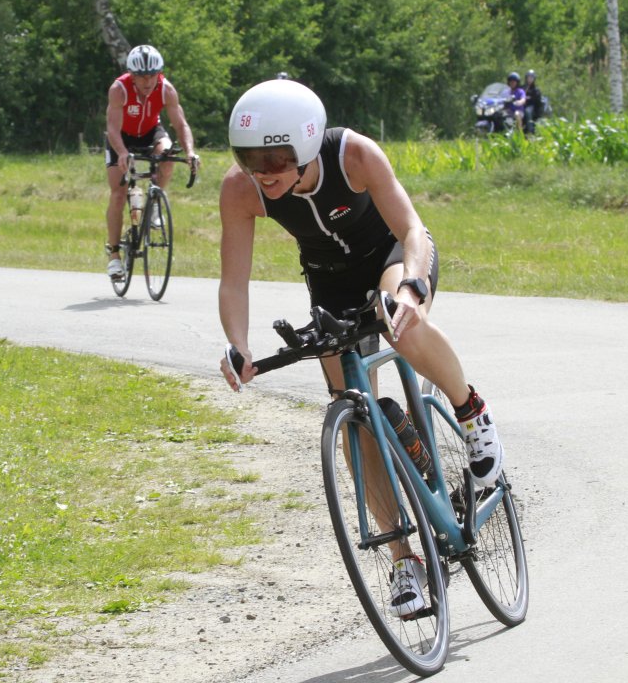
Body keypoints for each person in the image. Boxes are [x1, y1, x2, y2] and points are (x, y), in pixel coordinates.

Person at [216, 78, 504, 617]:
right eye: (249, 158)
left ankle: (471, 412)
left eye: (275, 158)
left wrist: (412, 288)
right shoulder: (240, 189)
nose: (263, 172)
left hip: (393, 257)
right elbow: (234, 282)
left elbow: (412, 229)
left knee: (402, 326)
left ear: (306, 144)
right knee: (352, 417)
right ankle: (404, 559)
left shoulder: (353, 154)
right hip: (331, 284)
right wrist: (238, 345)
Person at [104, 44, 198, 280]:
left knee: (167, 154)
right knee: (118, 193)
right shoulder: (119, 90)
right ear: (132, 75)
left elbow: (181, 125)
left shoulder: (166, 89)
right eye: (142, 76)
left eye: (152, 75)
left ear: (159, 73)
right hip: (121, 137)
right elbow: (112, 129)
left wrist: (190, 152)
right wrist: (122, 152)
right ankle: (114, 255)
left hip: (150, 132)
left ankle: (155, 202)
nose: (147, 81)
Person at [524, 70, 545, 135]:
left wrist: (528, 98)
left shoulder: (536, 89)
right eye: (528, 77)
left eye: (531, 78)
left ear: (534, 79)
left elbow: (537, 100)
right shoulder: (522, 87)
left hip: (532, 106)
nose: (530, 79)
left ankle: (531, 131)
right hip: (522, 105)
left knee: (527, 111)